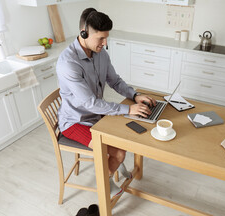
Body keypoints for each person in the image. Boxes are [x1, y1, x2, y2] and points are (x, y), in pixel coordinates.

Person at [56, 8, 156, 198]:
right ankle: (106, 180)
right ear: (83, 34)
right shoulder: (68, 63)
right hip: (75, 121)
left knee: (127, 135)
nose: (105, 43)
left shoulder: (100, 53)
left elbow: (115, 81)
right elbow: (90, 103)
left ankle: (112, 165)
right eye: (100, 38)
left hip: (95, 115)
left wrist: (135, 96)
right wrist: (128, 108)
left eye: (106, 38)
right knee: (118, 152)